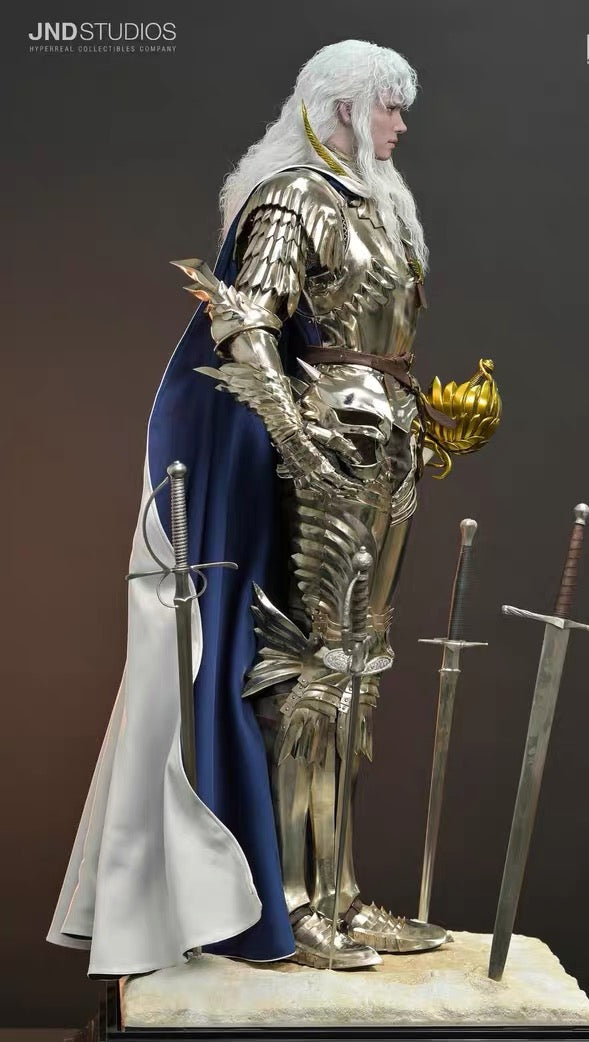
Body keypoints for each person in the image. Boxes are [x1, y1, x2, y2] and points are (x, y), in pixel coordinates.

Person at [48, 40, 499, 975]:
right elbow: (244, 316)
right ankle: (292, 901)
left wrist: (432, 424)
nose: (400, 125)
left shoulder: (375, 206)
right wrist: (297, 440)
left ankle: (341, 893)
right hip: (326, 447)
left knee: (361, 666)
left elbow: (377, 341)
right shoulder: (295, 197)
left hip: (387, 449)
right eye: (388, 107)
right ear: (342, 108)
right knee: (313, 668)